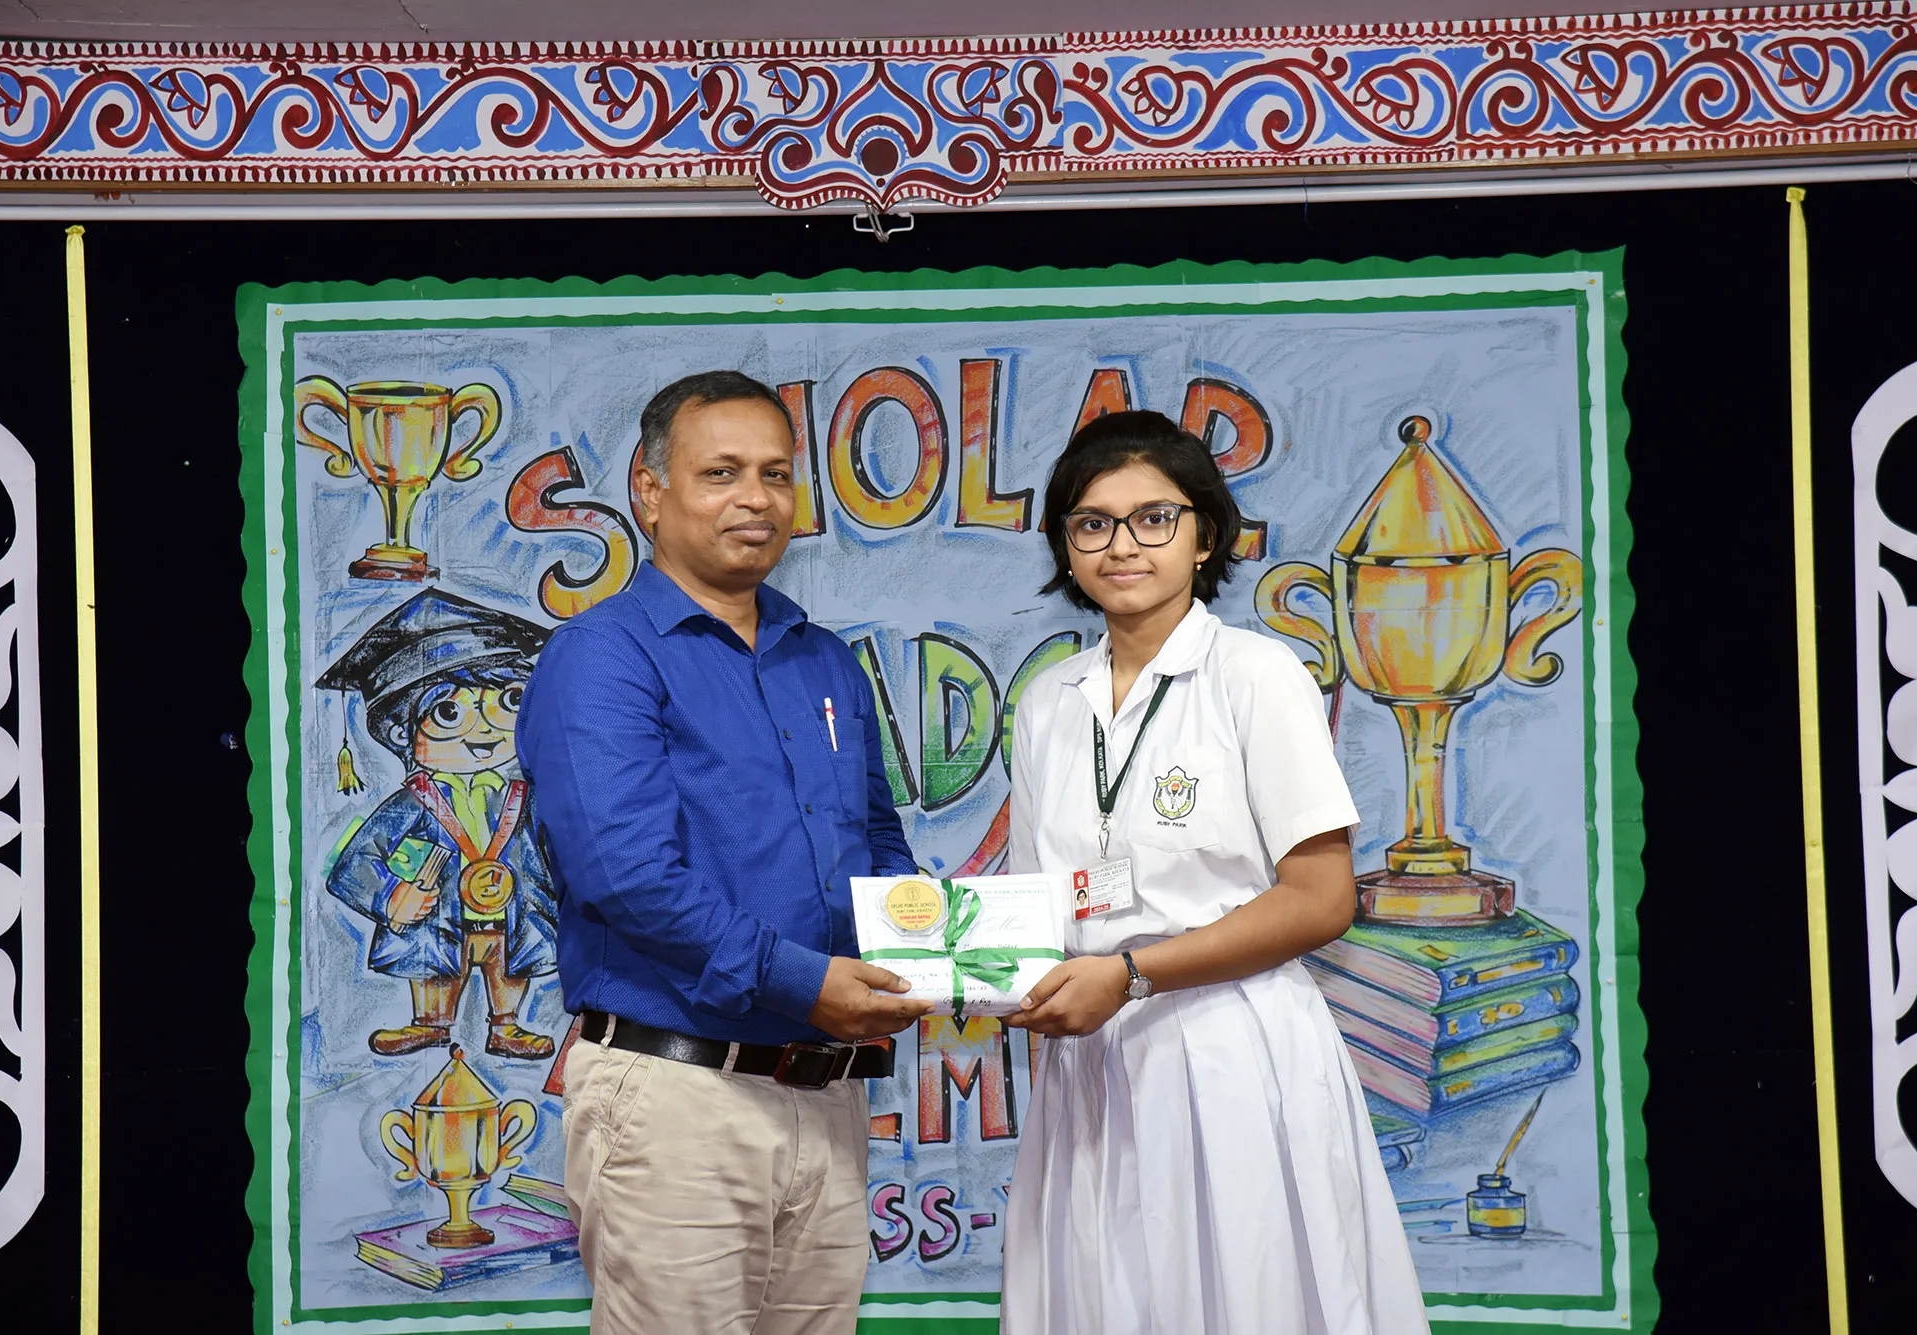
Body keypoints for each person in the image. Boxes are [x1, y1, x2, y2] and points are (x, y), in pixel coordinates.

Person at [517, 370, 934, 1335]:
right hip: (676, 1097)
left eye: (776, 473)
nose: (757, 497)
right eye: (722, 472)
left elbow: (877, 837)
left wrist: (928, 949)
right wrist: (808, 983)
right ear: (650, 490)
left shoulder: (823, 658)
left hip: (827, 1093)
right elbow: (627, 876)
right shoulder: (603, 655)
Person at [1000, 410, 1430, 1334]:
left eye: (1153, 518)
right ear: (1065, 546)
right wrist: (958, 965)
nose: (1122, 545)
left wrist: (1132, 972)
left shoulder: (1255, 674)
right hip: (1091, 1061)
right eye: (1092, 522)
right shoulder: (1045, 703)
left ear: (1204, 538)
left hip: (1232, 1046)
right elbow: (1033, 910)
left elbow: (1322, 899)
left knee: (1248, 1297)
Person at [320, 588, 559, 1060]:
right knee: (432, 954)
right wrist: (391, 898)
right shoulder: (411, 804)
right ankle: (430, 1022)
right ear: (403, 732)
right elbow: (355, 862)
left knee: (512, 957)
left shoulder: (528, 796)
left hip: (512, 910)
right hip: (438, 915)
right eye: (450, 712)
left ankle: (506, 1024)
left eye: (506, 702)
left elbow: (559, 845)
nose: (484, 728)